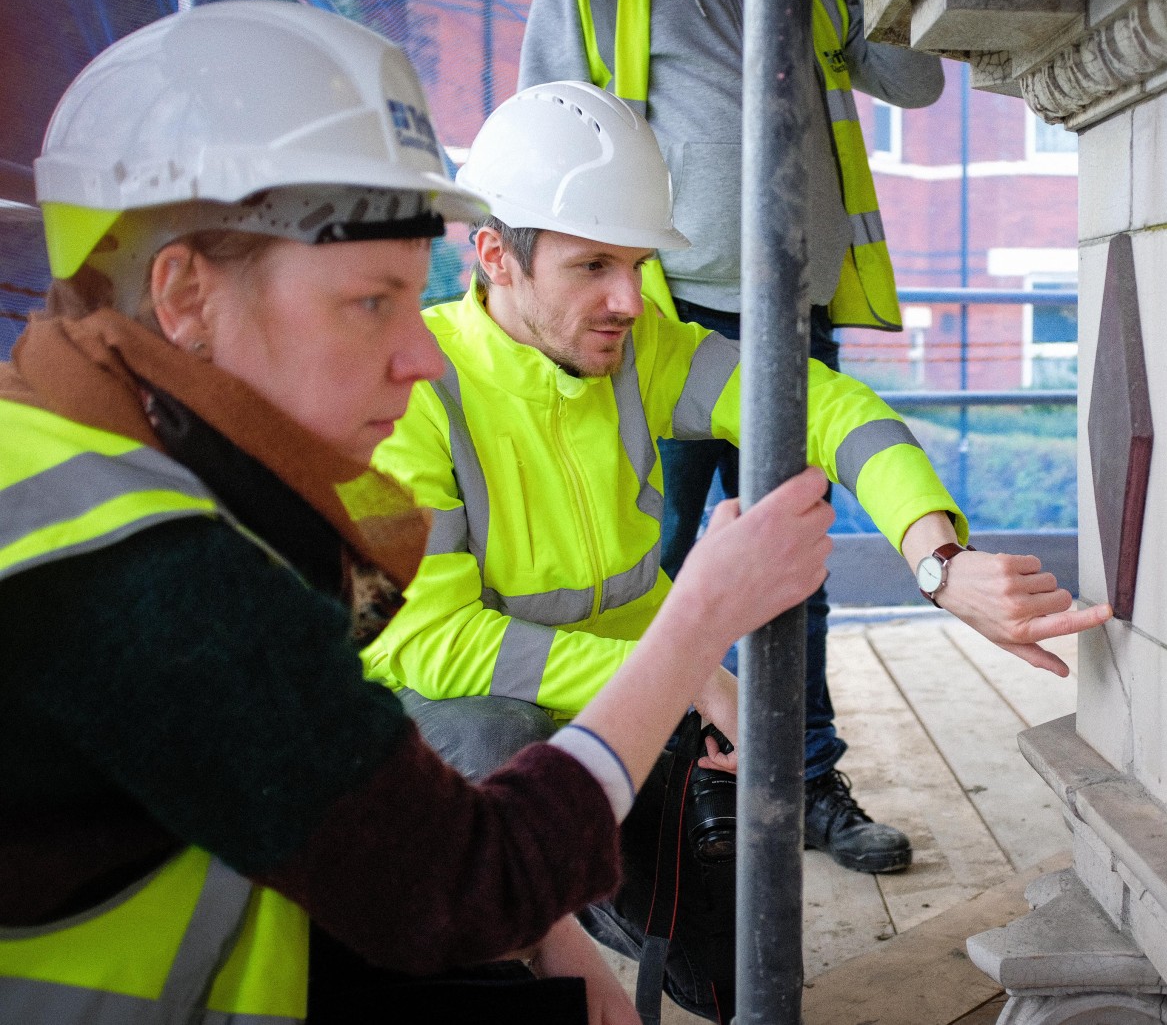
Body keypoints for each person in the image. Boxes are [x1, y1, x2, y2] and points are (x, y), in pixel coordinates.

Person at [0, 0, 834, 1025]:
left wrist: (555, 944)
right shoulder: (142, 569)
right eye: (369, 302)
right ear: (185, 297)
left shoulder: (92, 463)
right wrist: (698, 617)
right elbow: (460, 885)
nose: (424, 354)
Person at [361, 80, 1112, 1023]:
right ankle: (526, 923)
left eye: (637, 264)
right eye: (593, 265)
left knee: (736, 969)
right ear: (493, 256)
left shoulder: (644, 352)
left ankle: (590, 885)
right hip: (495, 726)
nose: (628, 299)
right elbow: (431, 643)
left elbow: (831, 410)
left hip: (638, 704)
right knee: (487, 749)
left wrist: (940, 564)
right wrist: (681, 673)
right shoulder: (417, 392)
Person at [517, 0, 946, 879]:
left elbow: (919, 80)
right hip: (654, 316)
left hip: (795, 313)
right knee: (657, 564)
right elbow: (543, 134)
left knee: (794, 568)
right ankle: (676, 791)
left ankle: (805, 782)